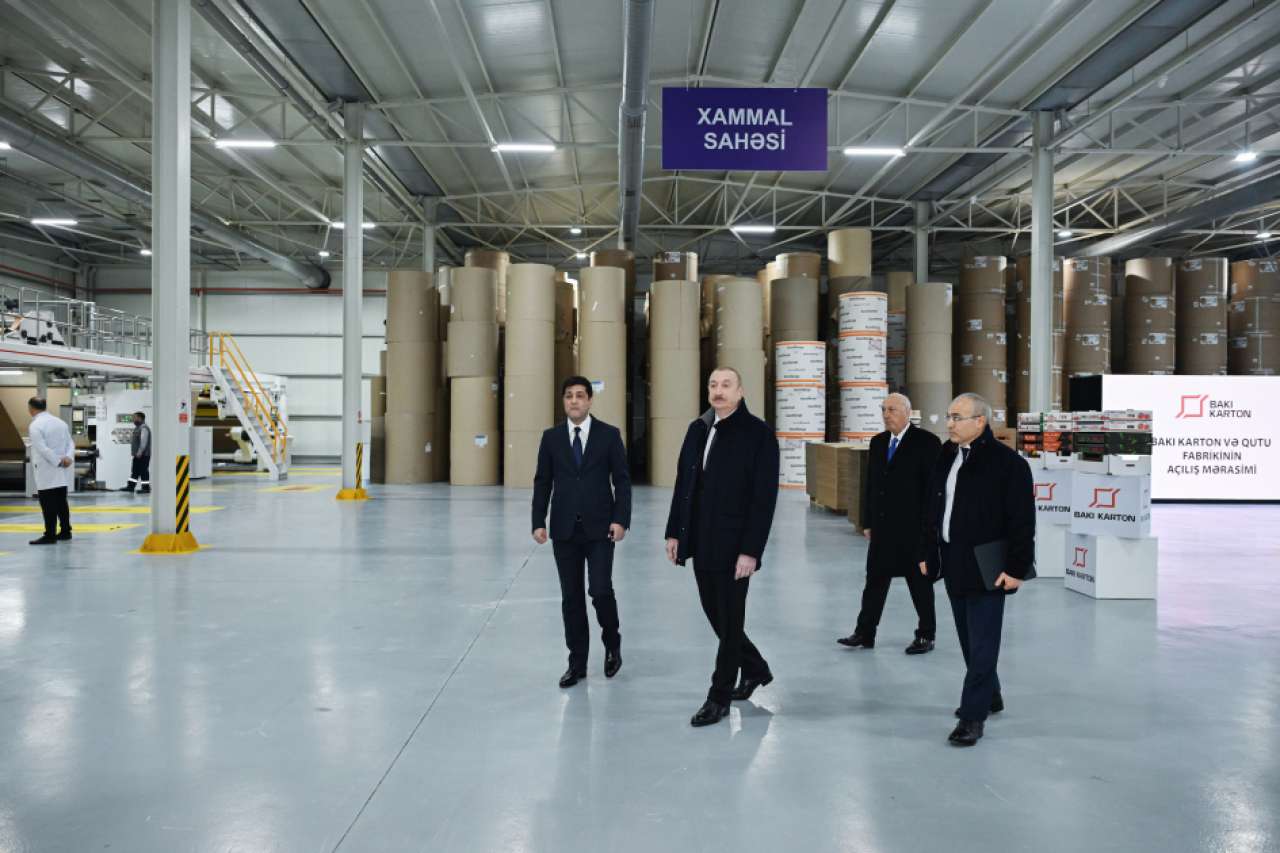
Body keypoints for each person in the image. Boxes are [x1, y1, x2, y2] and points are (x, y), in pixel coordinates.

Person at [665, 367, 779, 728]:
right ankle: (756, 667)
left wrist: (751, 551)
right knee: (716, 614)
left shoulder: (758, 434)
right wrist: (675, 533)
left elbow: (763, 499)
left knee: (730, 622)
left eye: (726, 385)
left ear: (740, 392)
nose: (718, 390)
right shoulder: (698, 429)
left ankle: (718, 697)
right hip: (701, 540)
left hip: (735, 546)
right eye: (713, 384)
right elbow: (684, 483)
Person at [918, 393, 1035, 747]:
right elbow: (933, 506)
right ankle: (991, 694)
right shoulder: (947, 455)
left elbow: (1022, 521)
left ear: (980, 421)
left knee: (983, 643)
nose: (949, 424)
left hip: (989, 566)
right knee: (969, 639)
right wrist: (927, 551)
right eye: (948, 416)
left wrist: (1016, 568)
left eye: (957, 417)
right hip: (953, 560)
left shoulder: (1008, 464)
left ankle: (972, 716)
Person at [532, 376, 632, 688]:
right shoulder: (551, 438)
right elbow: (542, 481)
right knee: (571, 598)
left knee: (600, 590)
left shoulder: (609, 435)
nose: (574, 401)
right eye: (568, 396)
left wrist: (621, 520)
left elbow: (622, 481)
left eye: (579, 395)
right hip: (564, 530)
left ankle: (612, 643)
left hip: (601, 528)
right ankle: (577, 663)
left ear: (589, 400)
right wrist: (538, 521)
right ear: (564, 401)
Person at [838, 392, 942, 654]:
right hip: (883, 529)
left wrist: (929, 530)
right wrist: (867, 521)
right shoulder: (878, 442)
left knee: (919, 584)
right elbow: (871, 485)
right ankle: (865, 632)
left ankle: (926, 635)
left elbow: (933, 491)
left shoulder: (927, 443)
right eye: (883, 409)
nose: (886, 415)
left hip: (914, 530)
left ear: (907, 412)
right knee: (874, 581)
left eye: (892, 410)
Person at [26, 396, 74, 546]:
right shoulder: (60, 422)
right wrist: (68, 458)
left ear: (31, 408)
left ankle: (50, 535)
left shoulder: (35, 425)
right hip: (62, 469)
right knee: (61, 502)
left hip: (47, 469)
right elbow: (70, 443)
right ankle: (65, 531)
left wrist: (57, 461)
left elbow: (42, 449)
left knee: (48, 504)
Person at [122, 411, 151, 493]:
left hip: (143, 455)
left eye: (135, 418)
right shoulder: (137, 428)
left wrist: (139, 452)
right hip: (137, 455)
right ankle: (130, 487)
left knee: (143, 471)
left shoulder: (144, 428)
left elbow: (143, 442)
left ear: (140, 418)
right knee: (135, 471)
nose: (133, 419)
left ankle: (146, 488)